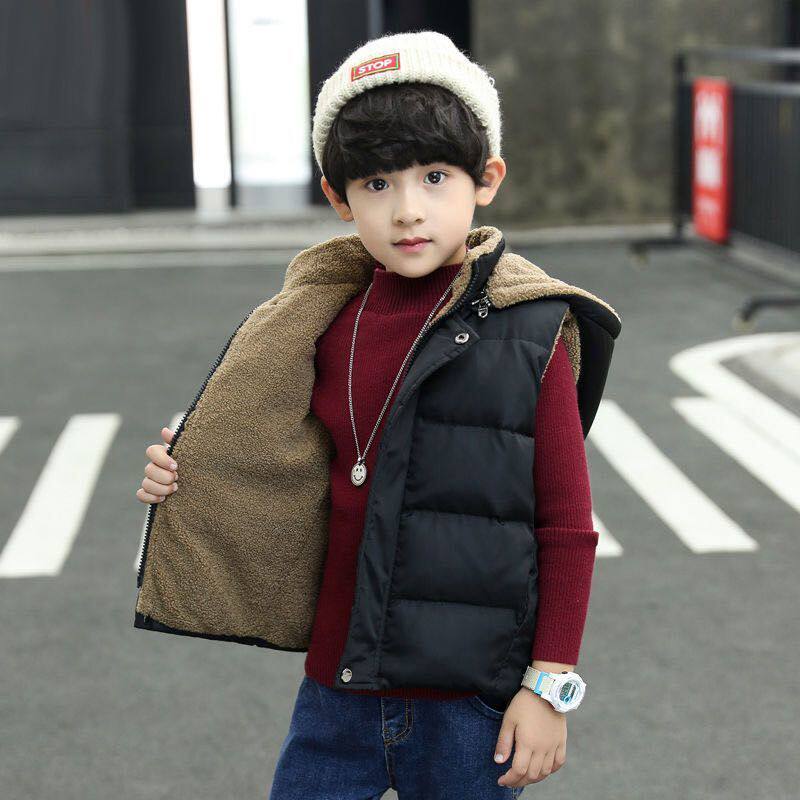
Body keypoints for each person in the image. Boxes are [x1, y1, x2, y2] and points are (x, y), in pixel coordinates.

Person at [134, 30, 622, 799]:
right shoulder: (320, 322)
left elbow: (565, 523)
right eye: (376, 184)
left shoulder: (532, 328)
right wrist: (187, 471)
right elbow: (275, 464)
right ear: (338, 198)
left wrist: (550, 685)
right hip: (338, 690)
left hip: (473, 704)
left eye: (435, 176)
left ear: (486, 179)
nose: (408, 211)